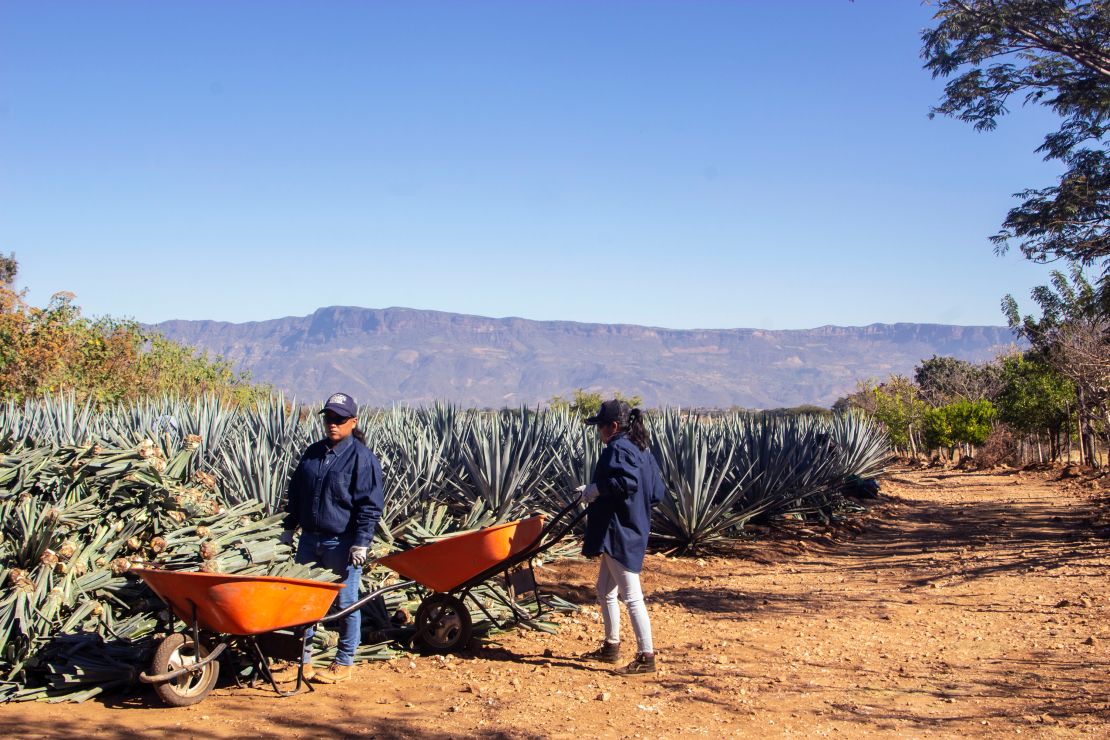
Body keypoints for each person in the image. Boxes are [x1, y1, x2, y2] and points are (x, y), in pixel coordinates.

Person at [277, 392, 384, 683]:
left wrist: (362, 541)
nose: (332, 424)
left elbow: (369, 506)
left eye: (339, 419)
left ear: (353, 422)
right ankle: (303, 661)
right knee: (303, 602)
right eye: (328, 418)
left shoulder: (363, 459)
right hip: (310, 541)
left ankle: (344, 662)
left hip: (342, 543)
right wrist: (290, 527)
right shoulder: (313, 454)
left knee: (346, 603)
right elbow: (297, 494)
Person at [577, 399, 665, 675]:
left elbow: (627, 482)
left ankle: (646, 655)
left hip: (619, 531)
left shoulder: (617, 448)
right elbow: (655, 493)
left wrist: (596, 489)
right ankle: (611, 646)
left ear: (613, 426)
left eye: (601, 426)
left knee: (632, 596)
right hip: (633, 526)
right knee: (605, 591)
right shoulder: (642, 450)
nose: (599, 432)